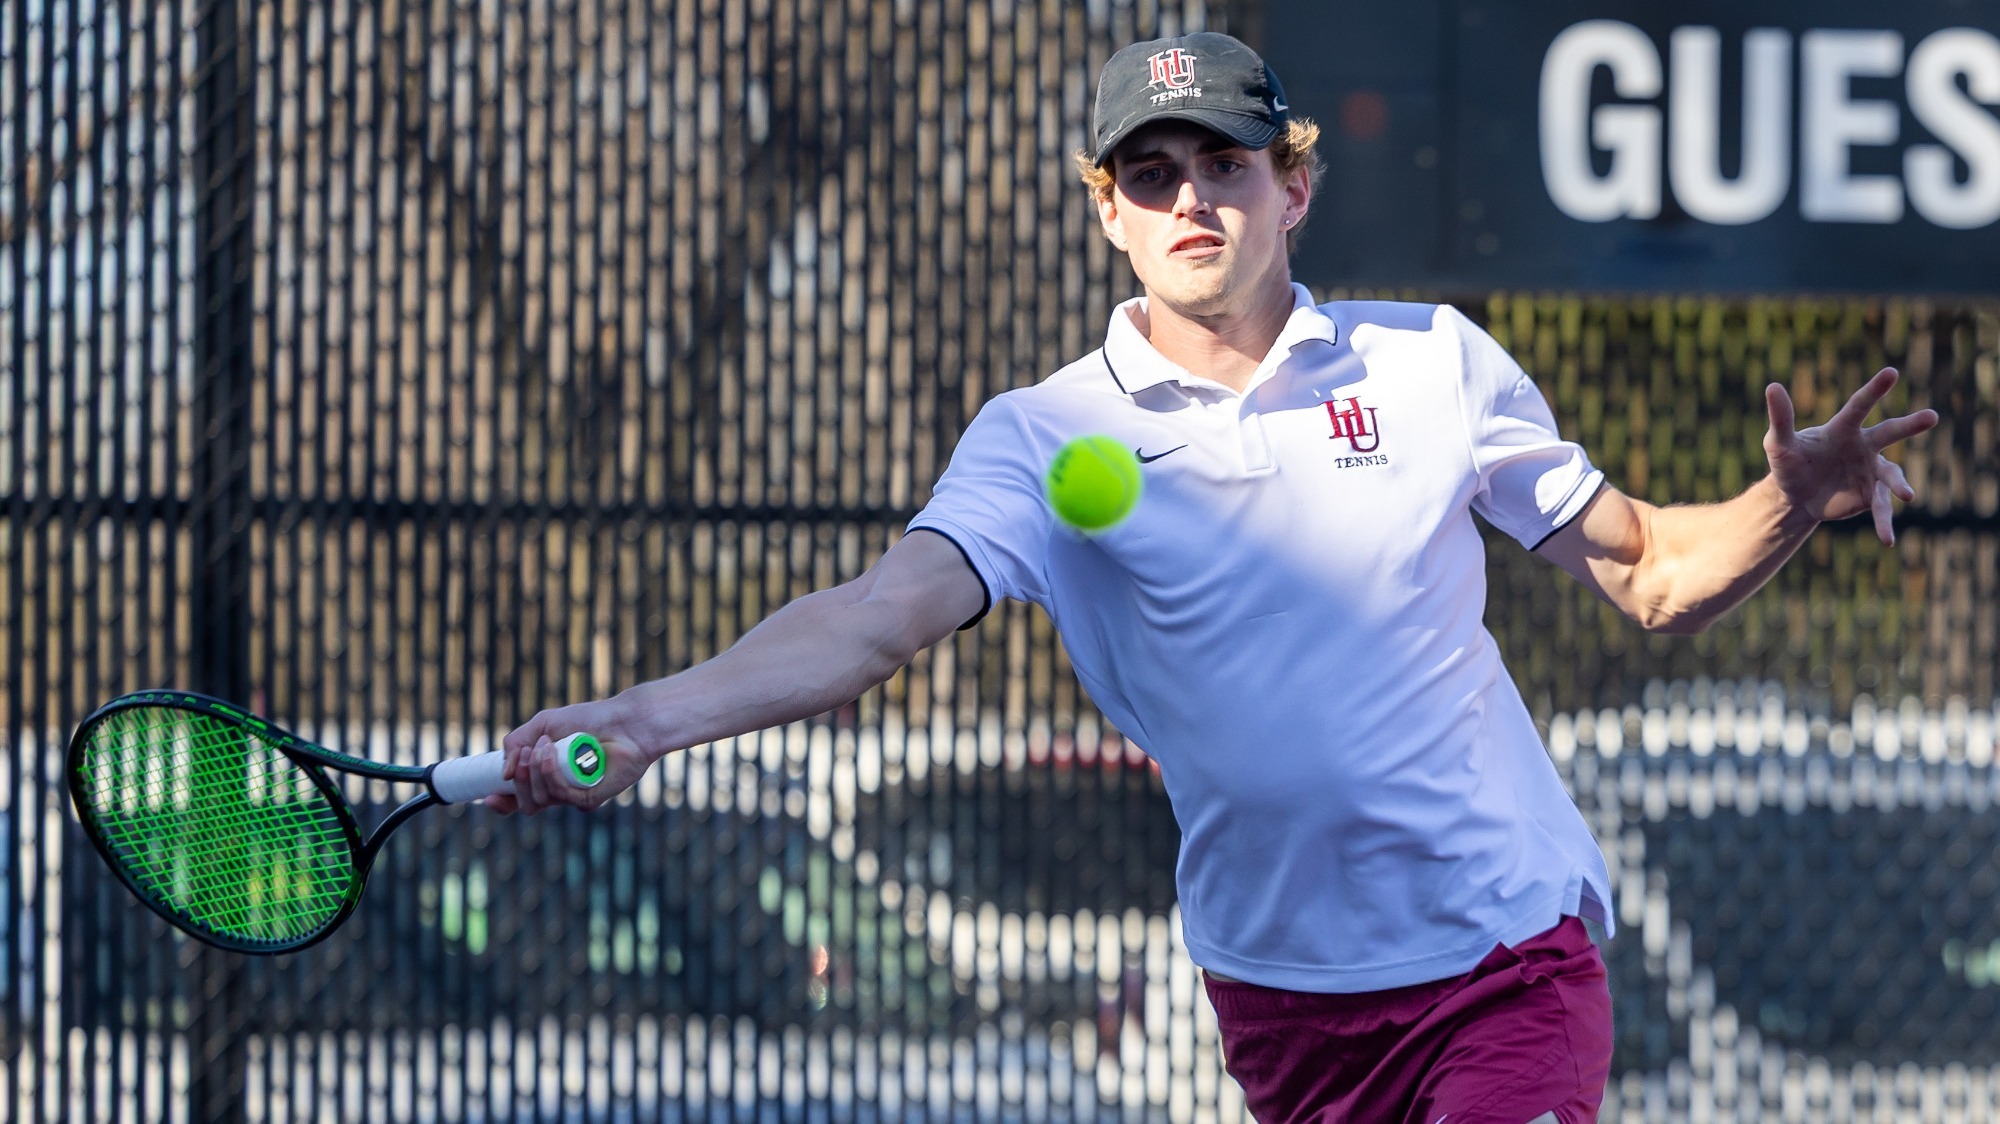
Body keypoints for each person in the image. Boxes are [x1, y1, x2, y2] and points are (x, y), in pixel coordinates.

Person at [492, 31, 1937, 1124]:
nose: (1192, 197)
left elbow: (1655, 573)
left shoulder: (1430, 361)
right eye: (1152, 173)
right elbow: (873, 623)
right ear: (1110, 210)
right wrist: (641, 720)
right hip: (1281, 1000)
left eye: (1226, 163)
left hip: (1507, 961)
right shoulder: (1047, 438)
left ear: (1293, 184)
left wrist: (1785, 499)